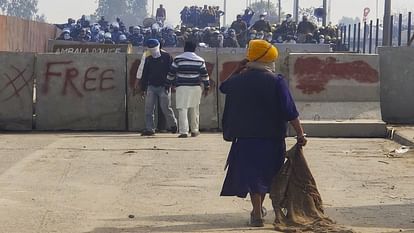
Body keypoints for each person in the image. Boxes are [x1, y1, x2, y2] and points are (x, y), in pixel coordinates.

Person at [220, 39, 307, 227]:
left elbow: (223, 87)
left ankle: (257, 211)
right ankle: (274, 209)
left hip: (245, 139)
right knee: (271, 174)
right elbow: (289, 110)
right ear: (269, 60)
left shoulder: (238, 80)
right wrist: (300, 134)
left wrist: (237, 69)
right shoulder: (276, 81)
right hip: (272, 138)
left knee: (253, 175)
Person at [166, 41, 210, 138]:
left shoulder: (178, 59)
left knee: (182, 109)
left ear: (185, 48)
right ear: (194, 49)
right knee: (194, 109)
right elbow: (205, 75)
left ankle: (184, 132)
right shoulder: (200, 60)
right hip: (196, 87)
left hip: (182, 87)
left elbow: (171, 74)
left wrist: (167, 84)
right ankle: (194, 131)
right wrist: (207, 87)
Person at [136, 39, 178, 136]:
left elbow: (172, 72)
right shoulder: (148, 59)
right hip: (151, 86)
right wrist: (143, 88)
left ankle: (173, 125)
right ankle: (150, 129)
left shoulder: (167, 57)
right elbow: (145, 74)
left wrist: (172, 84)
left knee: (166, 108)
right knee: (148, 109)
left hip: (164, 87)